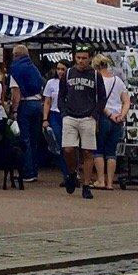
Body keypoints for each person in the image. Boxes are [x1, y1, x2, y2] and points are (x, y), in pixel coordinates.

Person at [56, 47, 103, 198]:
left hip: (88, 116)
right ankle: (72, 173)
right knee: (68, 149)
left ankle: (86, 184)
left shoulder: (95, 75)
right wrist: (63, 112)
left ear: (90, 59)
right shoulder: (68, 73)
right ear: (74, 58)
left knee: (88, 151)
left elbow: (102, 97)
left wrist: (95, 114)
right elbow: (61, 95)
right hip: (70, 115)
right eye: (78, 58)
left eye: (84, 58)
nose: (81, 61)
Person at [93, 53, 131, 191]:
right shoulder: (118, 80)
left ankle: (100, 180)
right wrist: (121, 114)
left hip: (104, 117)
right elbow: (126, 101)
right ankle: (110, 182)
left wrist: (109, 114)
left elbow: (98, 102)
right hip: (117, 119)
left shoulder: (97, 80)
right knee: (111, 151)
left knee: (98, 149)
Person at [9, 44, 46, 185]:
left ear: (16, 55)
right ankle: (35, 171)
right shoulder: (34, 68)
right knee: (34, 138)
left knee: (24, 140)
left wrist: (15, 110)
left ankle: (27, 173)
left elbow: (16, 93)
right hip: (37, 104)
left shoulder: (16, 69)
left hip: (25, 104)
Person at [44, 56, 75, 190]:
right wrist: (45, 119)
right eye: (58, 69)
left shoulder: (72, 81)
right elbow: (47, 102)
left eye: (63, 69)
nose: (60, 71)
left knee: (70, 146)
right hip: (55, 115)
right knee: (58, 145)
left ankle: (72, 173)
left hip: (69, 115)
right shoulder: (51, 83)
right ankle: (66, 174)